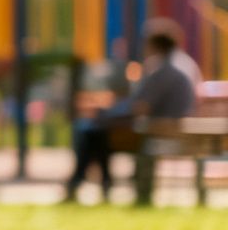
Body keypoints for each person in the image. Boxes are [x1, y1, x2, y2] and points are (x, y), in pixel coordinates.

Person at [63, 21, 202, 204]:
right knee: (97, 131)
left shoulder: (165, 69)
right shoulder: (182, 62)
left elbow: (140, 107)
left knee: (94, 132)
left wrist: (108, 112)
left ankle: (85, 183)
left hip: (161, 129)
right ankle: (98, 183)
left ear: (155, 45)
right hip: (171, 125)